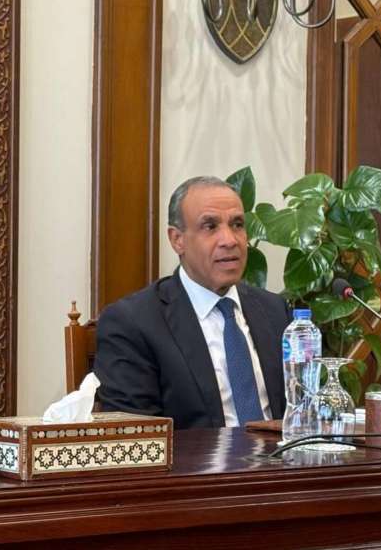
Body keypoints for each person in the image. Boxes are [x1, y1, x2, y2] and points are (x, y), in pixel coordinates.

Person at [94, 176, 288, 429]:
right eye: (210, 226)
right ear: (177, 240)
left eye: (237, 225)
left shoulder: (275, 311)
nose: (230, 240)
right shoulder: (133, 323)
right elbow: (136, 435)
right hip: (195, 455)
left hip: (282, 455)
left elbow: (304, 411)